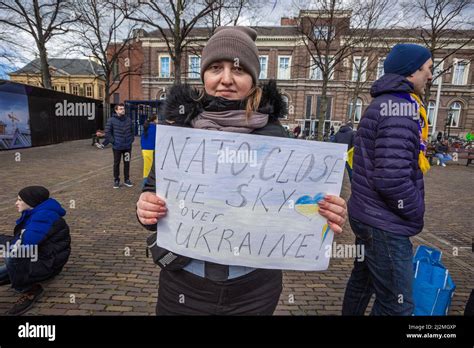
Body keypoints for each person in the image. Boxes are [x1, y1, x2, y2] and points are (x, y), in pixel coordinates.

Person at [136, 26, 348, 316]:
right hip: (183, 287)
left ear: (252, 79)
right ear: (204, 76)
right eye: (215, 68)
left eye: (237, 70)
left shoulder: (276, 137)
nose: (226, 79)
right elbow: (152, 195)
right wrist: (145, 208)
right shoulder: (180, 132)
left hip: (254, 292)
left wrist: (326, 210)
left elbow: (298, 207)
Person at [343, 43, 433, 316]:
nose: (430, 77)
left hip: (368, 212)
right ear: (411, 71)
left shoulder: (385, 102)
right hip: (384, 221)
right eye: (428, 69)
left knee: (363, 281)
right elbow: (390, 178)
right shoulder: (401, 109)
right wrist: (415, 208)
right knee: (398, 304)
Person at [0, 186, 71, 315]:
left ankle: (29, 289)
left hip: (48, 263)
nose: (16, 203)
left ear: (31, 202)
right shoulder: (36, 212)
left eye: (20, 200)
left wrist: (5, 248)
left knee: (12, 256)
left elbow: (24, 245)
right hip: (37, 257)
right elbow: (20, 238)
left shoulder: (44, 217)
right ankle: (16, 276)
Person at [105, 103, 135, 188]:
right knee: (116, 163)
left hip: (127, 147)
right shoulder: (111, 120)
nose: (123, 110)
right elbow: (107, 132)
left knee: (127, 163)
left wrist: (131, 140)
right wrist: (113, 142)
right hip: (117, 147)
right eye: (121, 109)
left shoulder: (128, 120)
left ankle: (127, 180)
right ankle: (116, 180)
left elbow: (132, 131)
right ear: (116, 110)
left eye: (123, 108)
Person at [141, 114, 158, 187]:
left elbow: (142, 139)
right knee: (151, 169)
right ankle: (146, 185)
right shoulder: (155, 128)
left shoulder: (146, 126)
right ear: (154, 120)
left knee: (147, 168)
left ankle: (145, 184)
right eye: (158, 119)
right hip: (151, 149)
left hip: (145, 149)